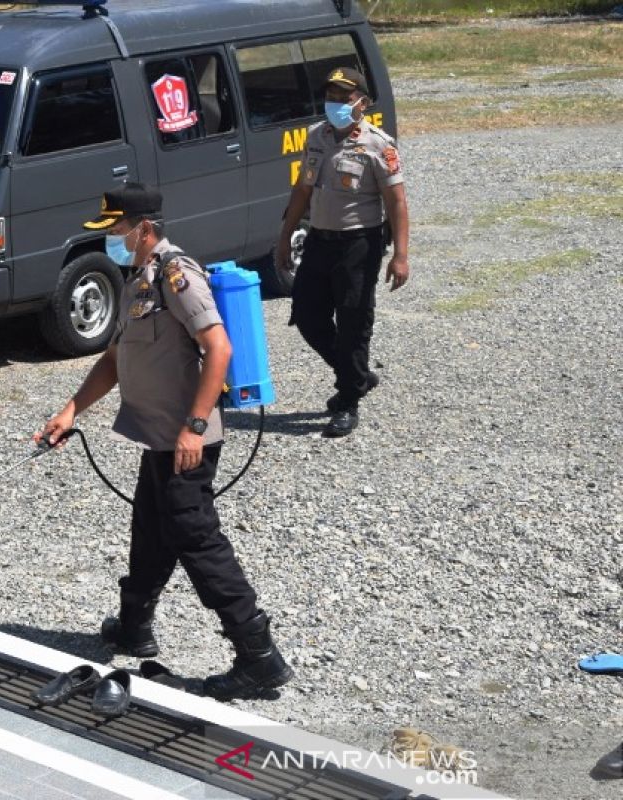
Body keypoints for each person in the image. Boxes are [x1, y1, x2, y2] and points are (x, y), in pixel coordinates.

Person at [37, 182, 292, 702]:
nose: (112, 237)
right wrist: (69, 410)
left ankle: (258, 658)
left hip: (185, 439)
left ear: (143, 228)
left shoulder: (178, 275)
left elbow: (217, 347)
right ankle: (134, 628)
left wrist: (195, 426)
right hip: (156, 435)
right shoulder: (139, 279)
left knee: (197, 540)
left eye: (116, 229)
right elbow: (114, 359)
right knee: (150, 529)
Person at [275, 66, 409, 438]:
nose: (334, 103)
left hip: (358, 244)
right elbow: (302, 189)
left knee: (353, 323)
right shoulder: (316, 137)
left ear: (362, 104)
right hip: (319, 239)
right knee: (305, 315)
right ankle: (358, 376)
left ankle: (348, 400)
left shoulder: (379, 144)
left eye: (343, 98)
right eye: (330, 96)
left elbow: (397, 202)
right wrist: (285, 236)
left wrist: (401, 255)